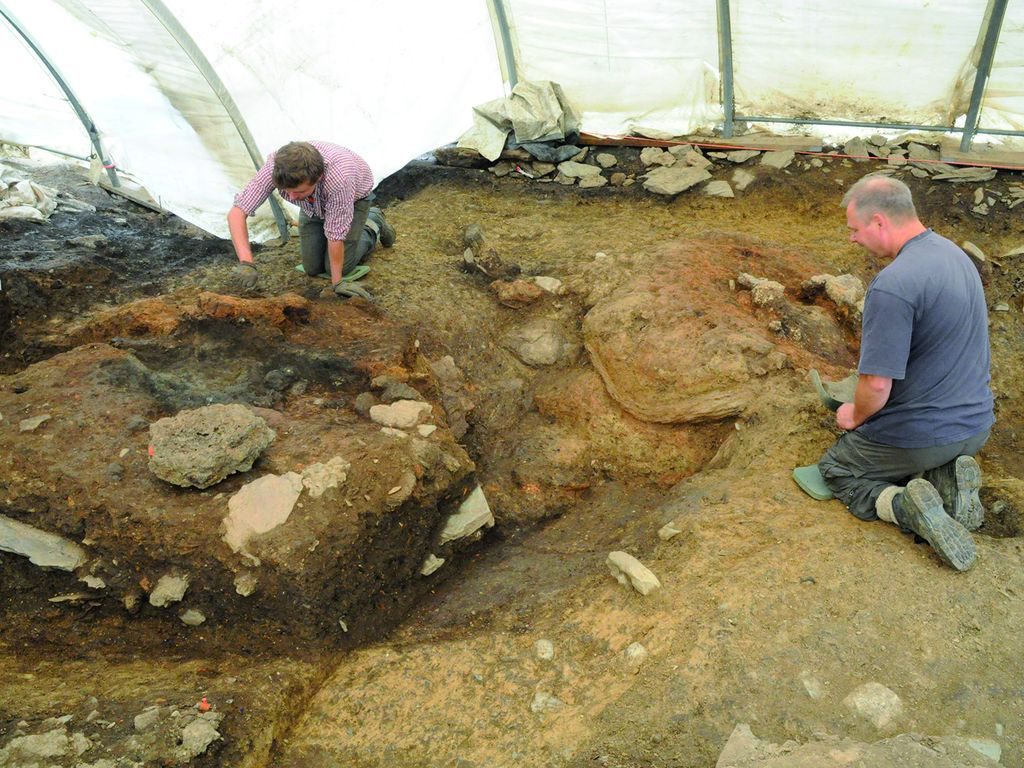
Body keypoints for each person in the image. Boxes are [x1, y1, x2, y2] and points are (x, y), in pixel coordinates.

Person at [817, 174, 994, 571]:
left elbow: (877, 384)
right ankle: (949, 481)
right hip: (976, 424)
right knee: (930, 445)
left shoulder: (893, 285)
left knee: (837, 468)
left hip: (921, 435)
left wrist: (855, 415)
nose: (852, 239)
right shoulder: (955, 256)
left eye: (855, 229)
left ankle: (905, 508)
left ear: (879, 221)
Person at [227, 141, 395, 298]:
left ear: (319, 177)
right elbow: (237, 212)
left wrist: (337, 283)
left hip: (354, 199)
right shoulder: (277, 167)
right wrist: (247, 263)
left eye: (299, 191)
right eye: (286, 190)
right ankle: (322, 215)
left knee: (338, 268)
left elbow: (335, 236)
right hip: (312, 205)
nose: (292, 196)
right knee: (312, 268)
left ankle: (373, 221)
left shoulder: (340, 179)